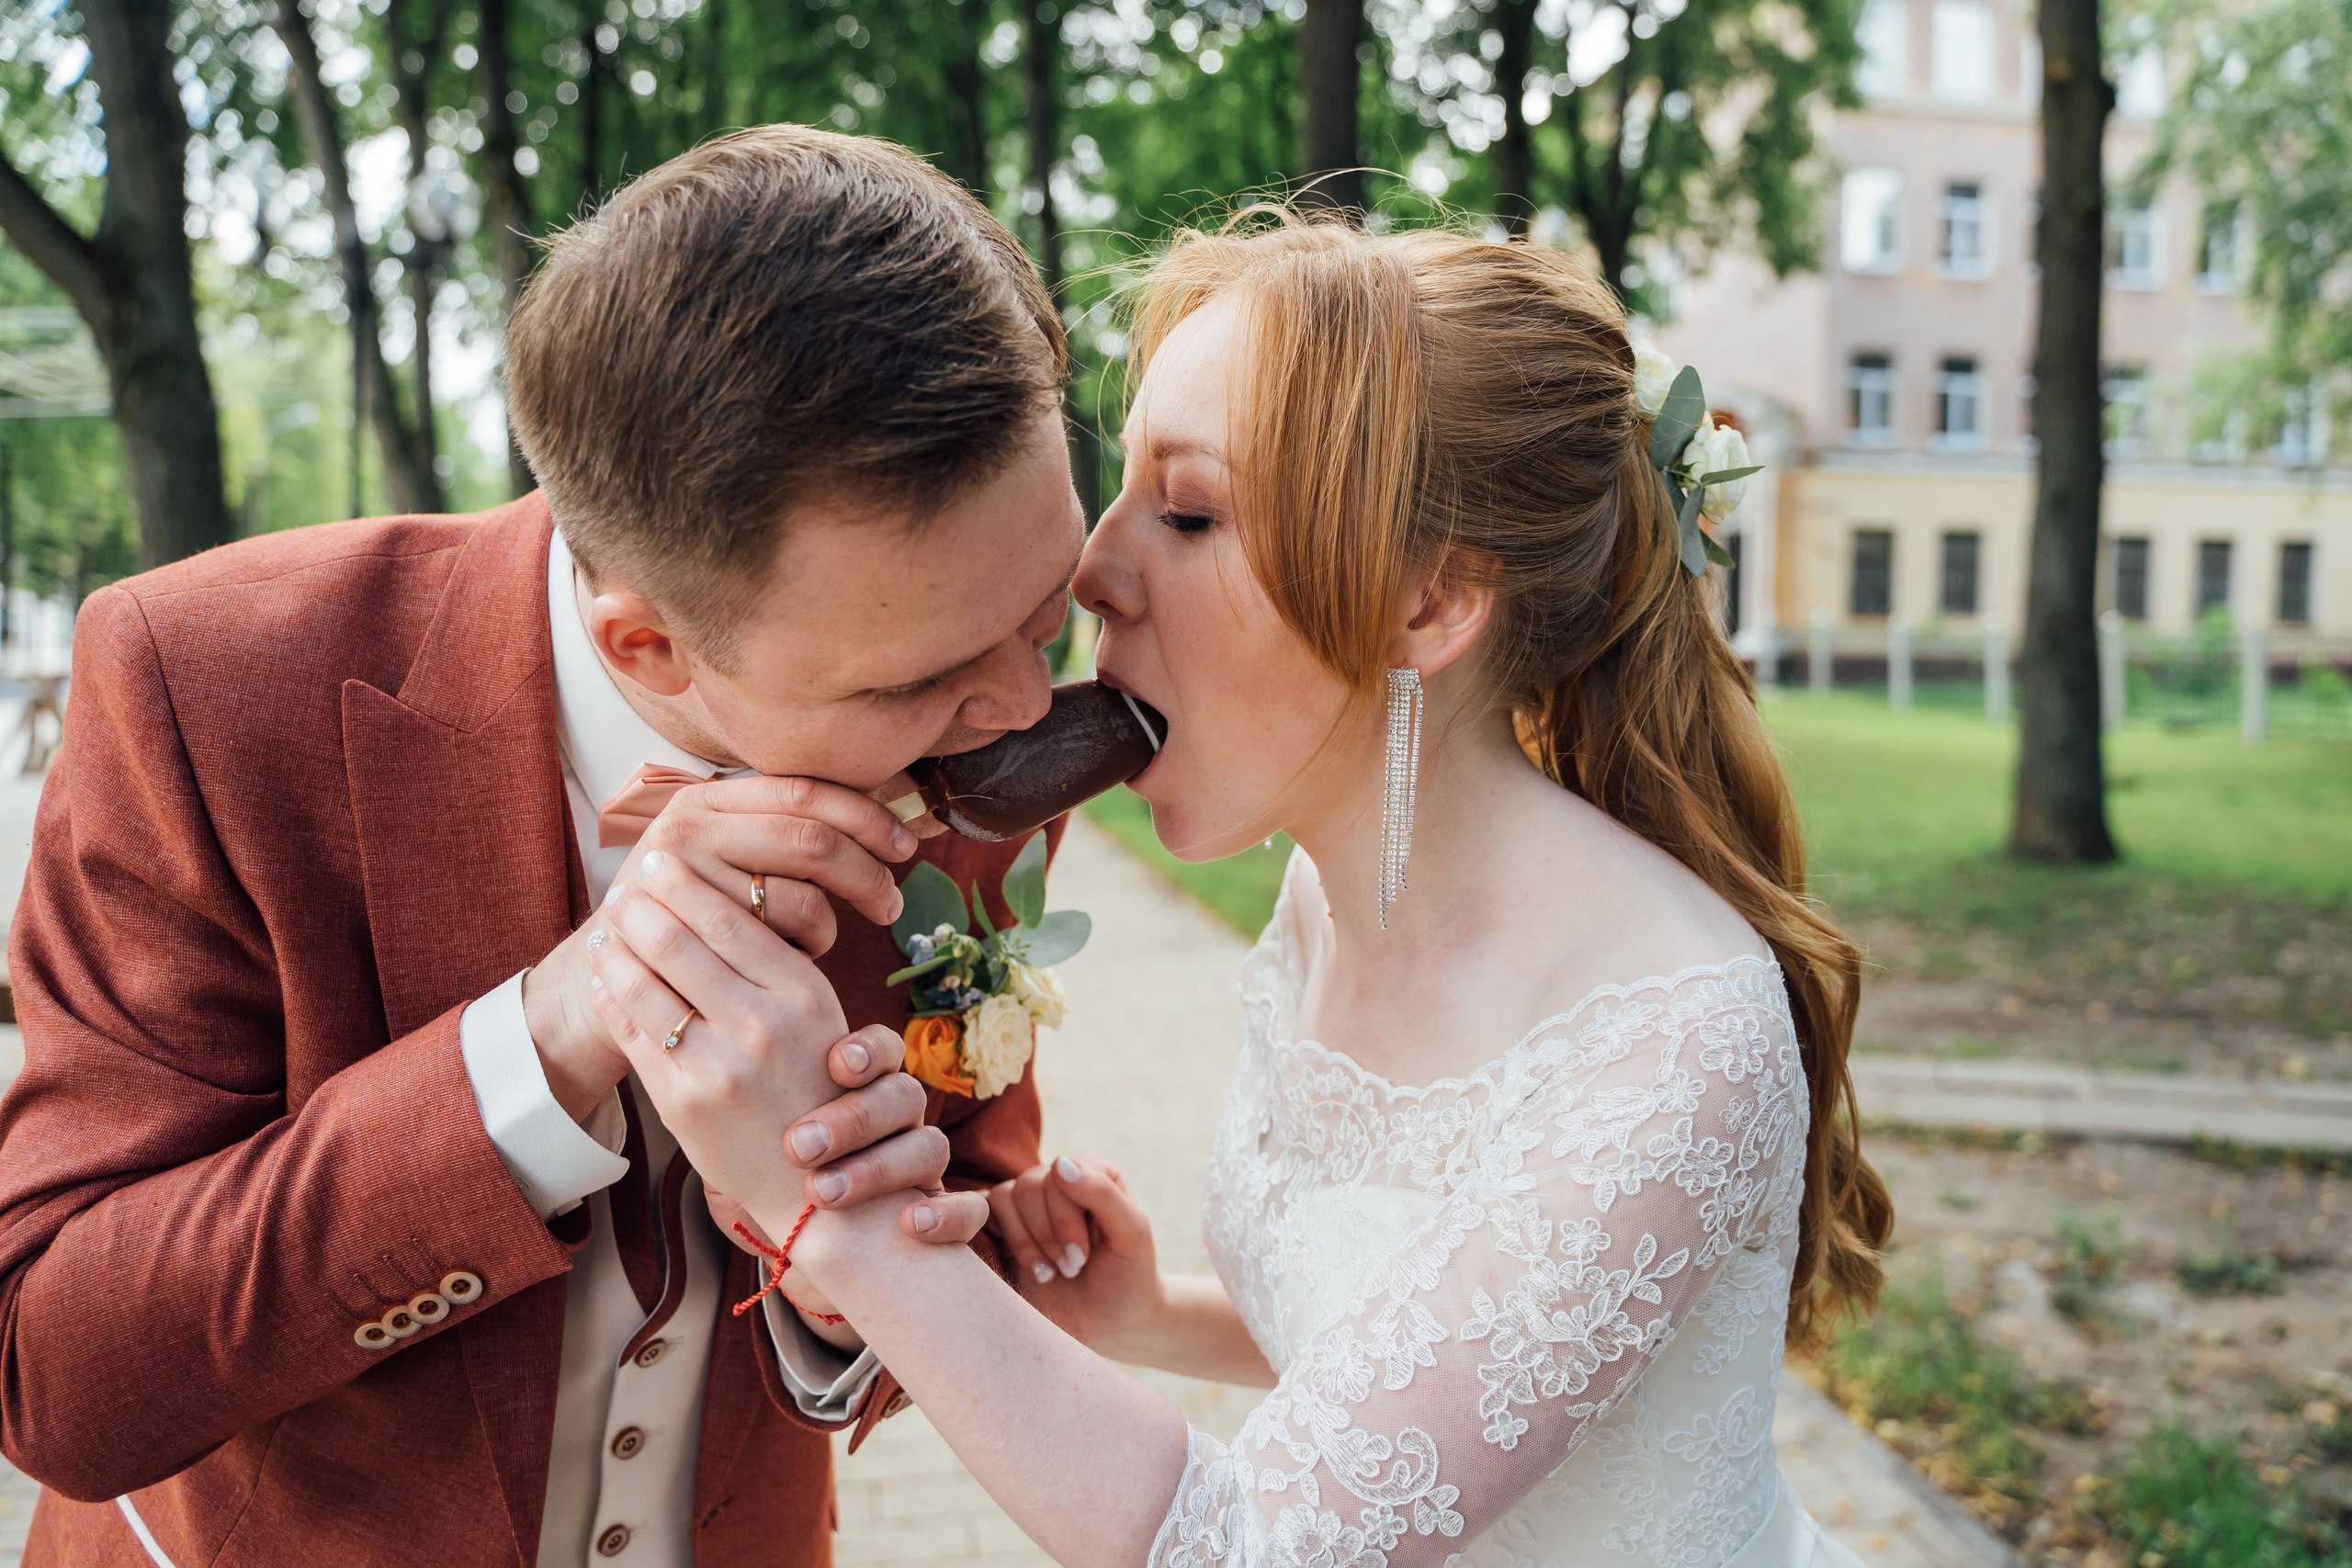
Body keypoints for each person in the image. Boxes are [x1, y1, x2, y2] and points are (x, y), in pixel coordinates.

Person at [586, 216, 1897, 1567]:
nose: (1092, 571)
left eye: (1191, 512)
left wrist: (842, 1221)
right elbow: (1436, 1359)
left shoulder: (1675, 1037)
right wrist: (1153, 1318)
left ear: (1428, 607)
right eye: (1124, 494)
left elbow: (1250, 1546)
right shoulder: (1331, 905)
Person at [0, 127, 1083, 1568]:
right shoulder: (205, 689)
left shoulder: (984, 746)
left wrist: (849, 1300)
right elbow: (60, 1369)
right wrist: (549, 1039)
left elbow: (968, 1195)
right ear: (648, 638)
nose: (1017, 708)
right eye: (911, 685)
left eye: (1046, 610)